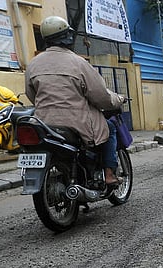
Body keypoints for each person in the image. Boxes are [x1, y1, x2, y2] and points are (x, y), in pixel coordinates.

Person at [25, 16, 126, 185]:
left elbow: (31, 94)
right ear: (68, 37)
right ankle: (109, 174)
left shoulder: (33, 64)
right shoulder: (78, 63)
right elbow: (101, 97)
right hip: (77, 123)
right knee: (110, 129)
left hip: (44, 123)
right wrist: (118, 99)